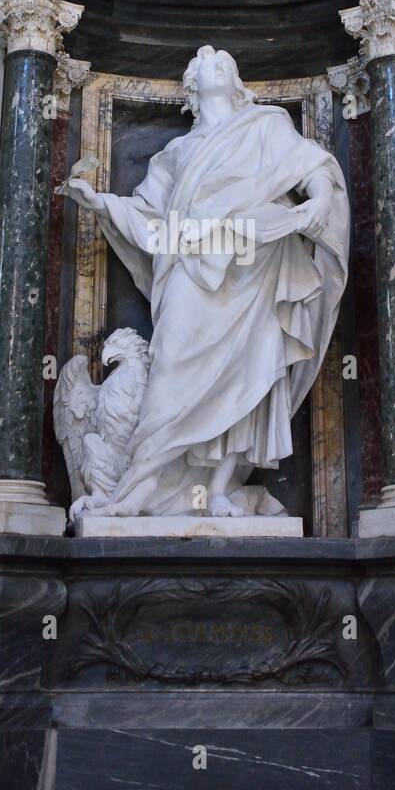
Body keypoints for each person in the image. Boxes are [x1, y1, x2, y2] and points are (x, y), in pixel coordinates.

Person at [65, 46, 349, 519]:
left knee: (247, 377)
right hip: (191, 264)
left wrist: (318, 201)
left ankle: (218, 491)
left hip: (256, 261)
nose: (214, 60)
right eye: (205, 63)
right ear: (192, 88)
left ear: (237, 81)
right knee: (171, 366)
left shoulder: (266, 126)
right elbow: (150, 218)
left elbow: (313, 167)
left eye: (223, 61)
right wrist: (100, 203)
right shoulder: (177, 153)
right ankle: (138, 487)